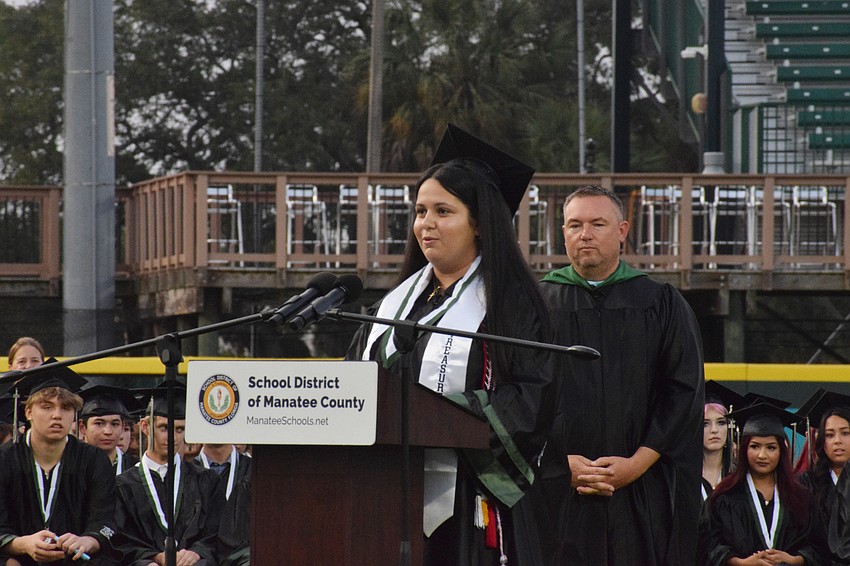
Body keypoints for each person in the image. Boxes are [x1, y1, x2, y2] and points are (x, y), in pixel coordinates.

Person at [346, 124, 554, 565]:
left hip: (468, 496)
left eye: (443, 211)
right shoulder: (393, 304)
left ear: (479, 223)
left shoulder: (511, 307)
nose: (426, 224)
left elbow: (528, 400)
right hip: (383, 487)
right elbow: (353, 383)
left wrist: (441, 415)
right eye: (421, 211)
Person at [533, 184, 705, 565]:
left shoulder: (660, 301)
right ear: (563, 232)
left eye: (598, 224)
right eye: (574, 225)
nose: (585, 234)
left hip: (640, 491)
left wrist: (638, 463)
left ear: (623, 231)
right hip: (558, 491)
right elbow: (519, 394)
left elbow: (683, 392)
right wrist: (560, 464)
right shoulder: (537, 303)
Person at [0, 361, 120, 565]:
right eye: (47, 407)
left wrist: (87, 540)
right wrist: (22, 544)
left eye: (66, 407)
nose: (57, 415)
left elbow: (105, 521)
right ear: (28, 412)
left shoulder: (94, 460)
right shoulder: (4, 460)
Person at [698, 402, 826, 566]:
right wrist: (740, 563)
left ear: (781, 451)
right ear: (744, 449)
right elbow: (706, 546)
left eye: (771, 447)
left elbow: (819, 546)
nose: (762, 455)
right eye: (755, 446)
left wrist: (796, 559)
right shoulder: (724, 496)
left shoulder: (801, 496)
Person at [114, 384, 223, 566]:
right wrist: (152, 557)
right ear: (145, 426)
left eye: (180, 429)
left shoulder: (206, 480)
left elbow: (217, 533)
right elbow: (121, 540)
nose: (173, 437)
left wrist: (197, 552)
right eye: (164, 428)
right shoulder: (123, 485)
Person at [797, 390, 850, 564]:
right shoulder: (807, 482)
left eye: (845, 433)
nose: (837, 441)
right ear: (821, 442)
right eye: (829, 435)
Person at [77, 385, 140, 475]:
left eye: (115, 424)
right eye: (99, 423)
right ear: (82, 427)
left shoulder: (136, 471)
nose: (108, 431)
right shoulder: (69, 468)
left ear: (122, 427)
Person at [702, 381, 746, 501]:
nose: (714, 430)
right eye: (705, 424)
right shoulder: (683, 477)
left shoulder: (740, 476)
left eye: (721, 422)